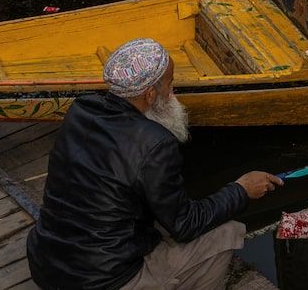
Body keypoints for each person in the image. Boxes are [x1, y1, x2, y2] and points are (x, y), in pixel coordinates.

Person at [27, 39, 283, 290]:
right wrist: (241, 189)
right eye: (170, 85)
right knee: (226, 232)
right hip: (102, 281)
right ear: (150, 94)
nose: (173, 93)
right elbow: (186, 225)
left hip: (45, 265)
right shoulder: (156, 143)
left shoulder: (81, 109)